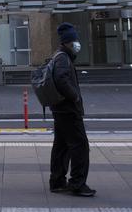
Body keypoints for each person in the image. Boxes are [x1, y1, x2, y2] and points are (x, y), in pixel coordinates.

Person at [48, 22, 95, 197]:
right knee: (80, 146)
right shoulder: (62, 58)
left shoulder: (60, 56)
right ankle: (77, 183)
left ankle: (57, 181)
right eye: (74, 40)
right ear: (67, 42)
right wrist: (74, 96)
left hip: (61, 110)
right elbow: (61, 79)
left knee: (61, 146)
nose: (77, 44)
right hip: (68, 110)